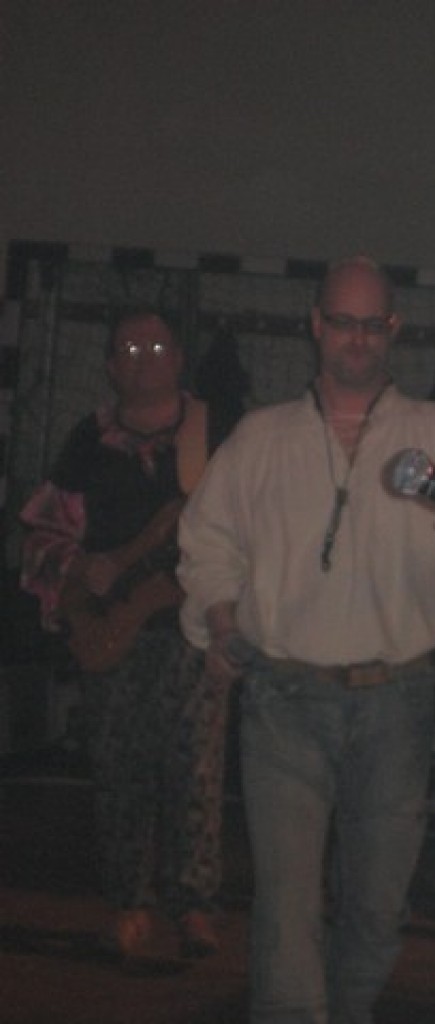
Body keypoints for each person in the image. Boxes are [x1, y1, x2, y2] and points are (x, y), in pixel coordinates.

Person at [176, 256, 435, 1024]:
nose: (356, 338)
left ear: (392, 329)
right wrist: (222, 619)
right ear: (316, 325)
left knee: (377, 907)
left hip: (396, 701)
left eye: (371, 324)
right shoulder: (261, 438)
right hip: (283, 700)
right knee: (286, 905)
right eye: (342, 322)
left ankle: (348, 1010)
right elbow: (208, 541)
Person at [19, 310, 235, 960]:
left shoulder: (215, 433)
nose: (145, 358)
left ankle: (194, 905)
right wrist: (83, 567)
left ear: (179, 358)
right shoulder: (88, 440)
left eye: (157, 346)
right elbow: (44, 532)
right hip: (114, 633)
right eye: (131, 349)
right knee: (119, 770)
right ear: (112, 366)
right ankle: (129, 902)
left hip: (194, 630)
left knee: (196, 771)